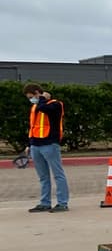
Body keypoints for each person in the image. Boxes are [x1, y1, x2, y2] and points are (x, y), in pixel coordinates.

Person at [23, 83, 70, 213]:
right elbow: (33, 126)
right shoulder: (35, 107)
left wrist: (43, 98)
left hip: (50, 144)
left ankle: (62, 203)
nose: (31, 100)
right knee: (43, 177)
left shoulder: (55, 105)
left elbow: (44, 108)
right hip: (36, 145)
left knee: (58, 175)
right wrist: (29, 144)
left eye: (32, 97)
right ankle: (45, 203)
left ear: (38, 93)